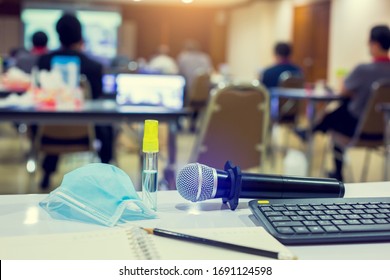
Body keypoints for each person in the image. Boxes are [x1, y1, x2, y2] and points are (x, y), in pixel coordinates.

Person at [296, 24, 390, 181]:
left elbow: (343, 90)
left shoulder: (363, 69)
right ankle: (311, 131)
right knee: (342, 110)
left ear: (374, 43)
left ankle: (311, 132)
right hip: (383, 132)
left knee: (336, 115)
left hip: (355, 128)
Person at [37, 13, 114, 189]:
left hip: (48, 134)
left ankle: (47, 173)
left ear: (58, 34)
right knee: (107, 126)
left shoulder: (45, 61)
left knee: (56, 117)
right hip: (85, 133)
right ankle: (104, 173)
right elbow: (96, 99)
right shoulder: (93, 67)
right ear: (80, 35)